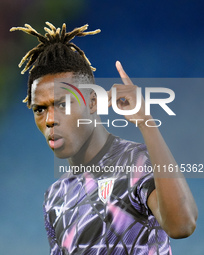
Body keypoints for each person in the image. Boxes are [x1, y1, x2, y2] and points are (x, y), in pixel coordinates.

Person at [10, 22, 197, 255]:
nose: (49, 119)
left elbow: (182, 225)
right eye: (40, 109)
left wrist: (146, 123)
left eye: (62, 104)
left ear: (92, 102)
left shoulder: (136, 161)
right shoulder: (54, 197)